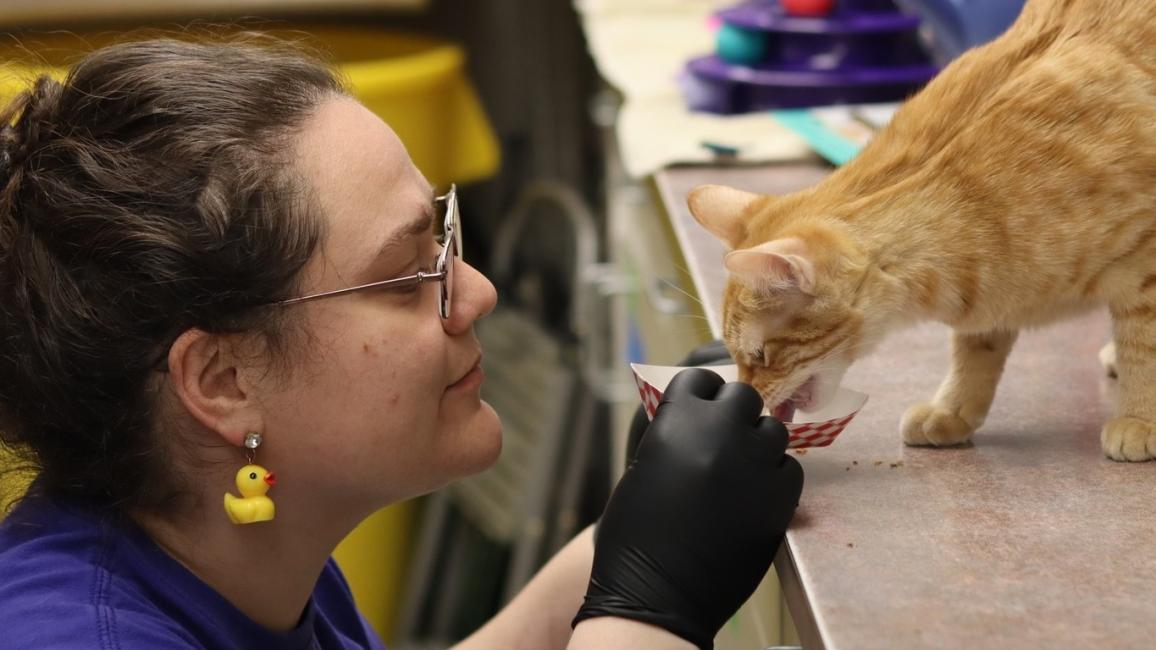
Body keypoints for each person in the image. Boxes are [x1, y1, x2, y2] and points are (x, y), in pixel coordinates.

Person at [0, 35, 803, 650]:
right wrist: (647, 614)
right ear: (222, 379)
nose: (477, 291)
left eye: (442, 241)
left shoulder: (235, 549)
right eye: (403, 276)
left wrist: (636, 537)